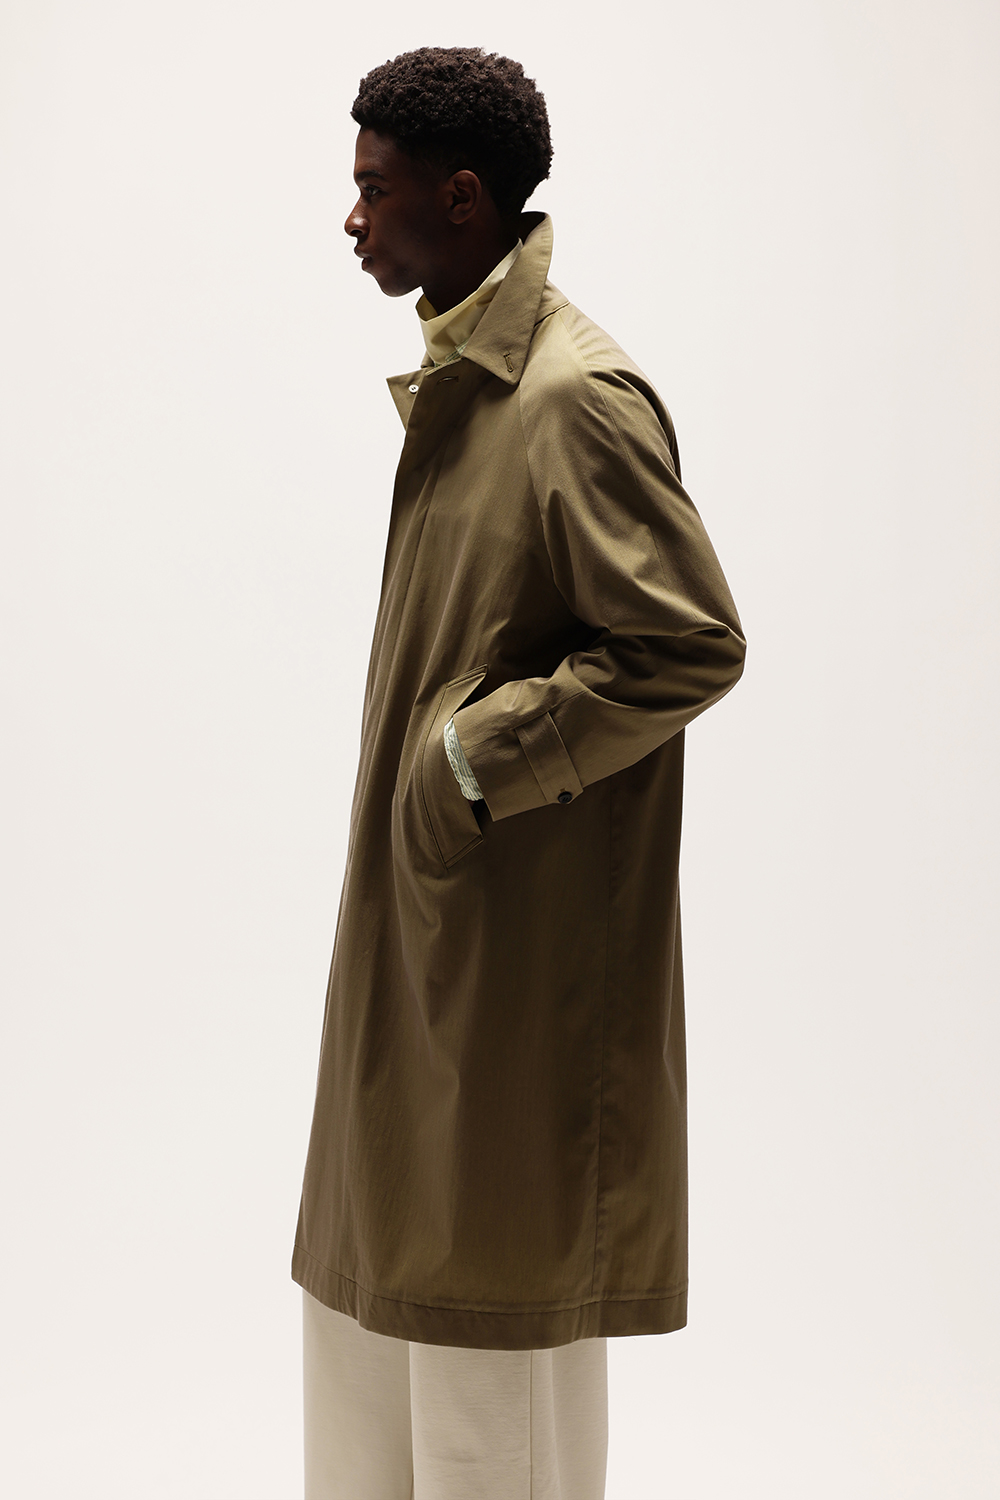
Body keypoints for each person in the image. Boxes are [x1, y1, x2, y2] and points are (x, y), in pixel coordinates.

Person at [292, 45, 746, 1499]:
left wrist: (468, 764)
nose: (350, 217)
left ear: (462, 194)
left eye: (374, 189)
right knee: (377, 1321)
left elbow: (686, 642)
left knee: (488, 1343)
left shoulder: (570, 398)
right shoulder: (468, 381)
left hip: (511, 973)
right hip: (428, 950)